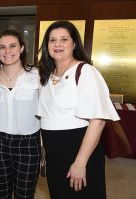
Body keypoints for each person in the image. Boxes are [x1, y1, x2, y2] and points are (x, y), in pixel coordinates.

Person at [36, 20, 120, 199]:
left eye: (64, 39)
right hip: (55, 156)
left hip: (78, 152)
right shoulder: (47, 75)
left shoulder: (86, 71)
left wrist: (80, 163)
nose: (57, 44)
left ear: (74, 44)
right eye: (52, 40)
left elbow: (97, 121)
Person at [0, 29, 41, 199]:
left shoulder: (37, 75)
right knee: (0, 194)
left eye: (12, 46)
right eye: (2, 47)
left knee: (25, 195)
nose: (7, 51)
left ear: (22, 48)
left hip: (28, 144)